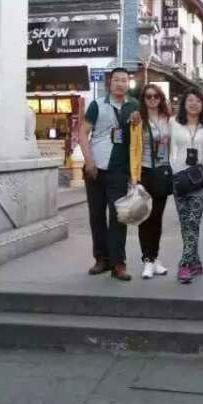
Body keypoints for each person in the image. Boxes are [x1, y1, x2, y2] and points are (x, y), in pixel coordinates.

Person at [78, 67, 139, 281]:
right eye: (117, 80)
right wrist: (89, 162)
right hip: (95, 169)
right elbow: (83, 133)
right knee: (96, 216)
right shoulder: (97, 105)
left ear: (128, 84)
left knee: (118, 217)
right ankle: (101, 259)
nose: (120, 84)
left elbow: (140, 135)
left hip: (119, 170)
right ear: (110, 83)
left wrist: (138, 121)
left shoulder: (134, 106)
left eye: (124, 80)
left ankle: (118, 264)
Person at [169, 88, 203, 284]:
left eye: (198, 101)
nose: (194, 104)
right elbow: (170, 150)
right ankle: (195, 263)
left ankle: (184, 264)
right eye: (190, 100)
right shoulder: (173, 123)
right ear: (184, 104)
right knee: (185, 224)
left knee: (193, 222)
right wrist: (173, 173)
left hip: (200, 180)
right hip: (180, 179)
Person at [137, 83, 171, 280]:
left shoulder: (168, 119)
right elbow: (132, 148)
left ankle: (155, 257)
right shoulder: (138, 119)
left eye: (156, 96)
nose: (152, 99)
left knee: (157, 217)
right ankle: (147, 260)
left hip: (162, 171)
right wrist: (132, 176)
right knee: (145, 217)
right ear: (143, 99)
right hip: (144, 171)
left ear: (161, 98)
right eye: (148, 96)